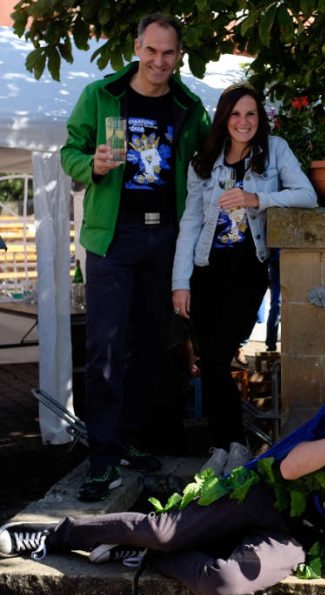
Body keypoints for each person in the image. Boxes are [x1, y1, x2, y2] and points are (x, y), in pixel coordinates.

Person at [0, 326, 325, 595]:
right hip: (269, 497)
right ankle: (56, 534)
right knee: (164, 530)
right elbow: (287, 469)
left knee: (227, 582)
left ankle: (137, 554)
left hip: (305, 534)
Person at [60, 13, 210, 502]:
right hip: (113, 238)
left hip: (166, 238)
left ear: (178, 55)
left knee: (149, 346)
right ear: (137, 47)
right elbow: (70, 153)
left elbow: (206, 166)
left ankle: (127, 441)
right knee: (105, 346)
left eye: (168, 53)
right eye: (151, 51)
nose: (159, 61)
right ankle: (102, 458)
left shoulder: (190, 106)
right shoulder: (104, 95)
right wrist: (92, 164)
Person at [171, 84, 317, 449]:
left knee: (218, 355)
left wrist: (258, 198)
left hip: (247, 274)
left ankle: (234, 446)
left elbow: (307, 195)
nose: (243, 121)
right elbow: (189, 223)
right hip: (205, 272)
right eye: (235, 114)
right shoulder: (203, 162)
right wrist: (180, 282)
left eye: (251, 113)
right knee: (211, 363)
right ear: (224, 118)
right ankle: (225, 448)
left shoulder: (275, 151)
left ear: (260, 118)